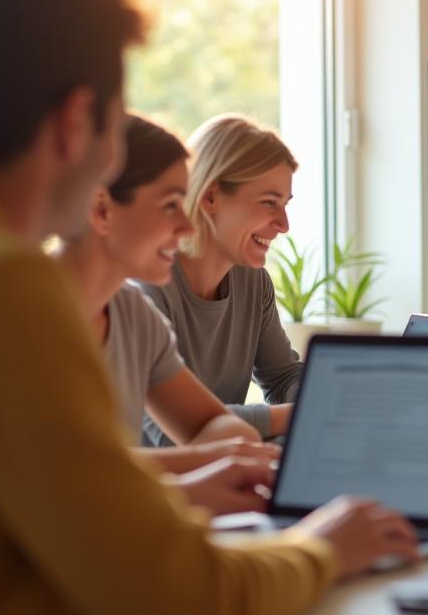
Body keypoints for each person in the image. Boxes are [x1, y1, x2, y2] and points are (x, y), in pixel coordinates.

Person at [0, 0, 416, 615]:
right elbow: (188, 613)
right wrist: (325, 547)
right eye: (118, 128)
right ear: (76, 120)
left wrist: (185, 481)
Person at [57, 114, 281, 504]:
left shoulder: (131, 313)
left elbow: (212, 425)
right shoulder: (28, 313)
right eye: (170, 205)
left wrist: (237, 455)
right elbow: (70, 472)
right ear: (102, 210)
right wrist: (219, 463)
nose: (188, 226)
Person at [136, 114, 302, 446]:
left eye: (285, 205)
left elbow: (282, 377)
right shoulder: (144, 289)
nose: (284, 224)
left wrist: (333, 398)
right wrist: (309, 413)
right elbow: (173, 436)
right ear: (210, 197)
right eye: (269, 203)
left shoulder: (253, 282)